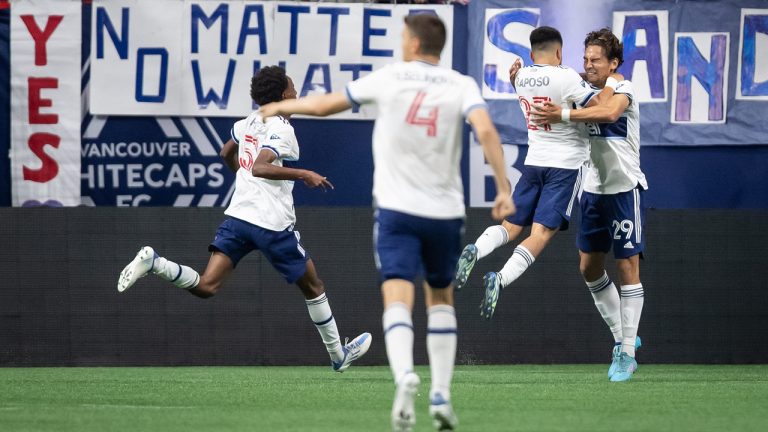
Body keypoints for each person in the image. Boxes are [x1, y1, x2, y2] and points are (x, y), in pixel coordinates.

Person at [259, 14, 513, 432]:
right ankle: (442, 393)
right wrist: (503, 188)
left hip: (397, 211)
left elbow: (325, 105)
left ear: (413, 43)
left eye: (402, 36)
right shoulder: (461, 84)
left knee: (398, 299)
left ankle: (404, 378)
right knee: (441, 300)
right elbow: (486, 130)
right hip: (445, 213)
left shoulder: (391, 77)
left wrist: (281, 105)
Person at [116, 65, 371, 374]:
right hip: (271, 223)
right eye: (292, 88)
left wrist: (243, 181)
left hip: (237, 216)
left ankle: (156, 263)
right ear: (282, 96)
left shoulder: (250, 120)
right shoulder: (283, 129)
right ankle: (337, 356)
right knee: (314, 286)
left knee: (208, 285)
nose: (296, 92)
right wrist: (304, 173)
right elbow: (262, 167)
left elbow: (226, 152)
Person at [454, 26, 611, 320]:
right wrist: (610, 83)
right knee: (539, 234)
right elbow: (602, 106)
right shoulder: (566, 77)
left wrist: (516, 78)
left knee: (510, 226)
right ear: (560, 52)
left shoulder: (521, 76)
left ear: (530, 53)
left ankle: (475, 248)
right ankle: (500, 279)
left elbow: (532, 83)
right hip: (565, 166)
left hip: (534, 161)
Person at [528, 28, 647, 382]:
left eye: (597, 60)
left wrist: (562, 115)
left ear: (613, 63)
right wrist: (518, 75)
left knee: (627, 267)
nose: (589, 65)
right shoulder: (577, 88)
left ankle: (626, 353)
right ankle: (623, 338)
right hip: (592, 189)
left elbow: (609, 114)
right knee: (589, 268)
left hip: (624, 188)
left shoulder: (623, 88)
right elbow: (540, 88)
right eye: (585, 59)